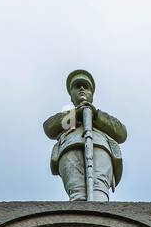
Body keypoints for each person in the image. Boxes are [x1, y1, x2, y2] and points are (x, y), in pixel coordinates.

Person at [43, 69, 127, 202]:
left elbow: (122, 134)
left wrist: (96, 116)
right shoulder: (68, 118)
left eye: (86, 87)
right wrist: (76, 114)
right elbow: (50, 128)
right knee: (77, 194)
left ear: (92, 95)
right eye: (77, 86)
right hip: (70, 147)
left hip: (101, 147)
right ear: (71, 95)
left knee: (99, 192)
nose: (82, 88)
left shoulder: (100, 117)